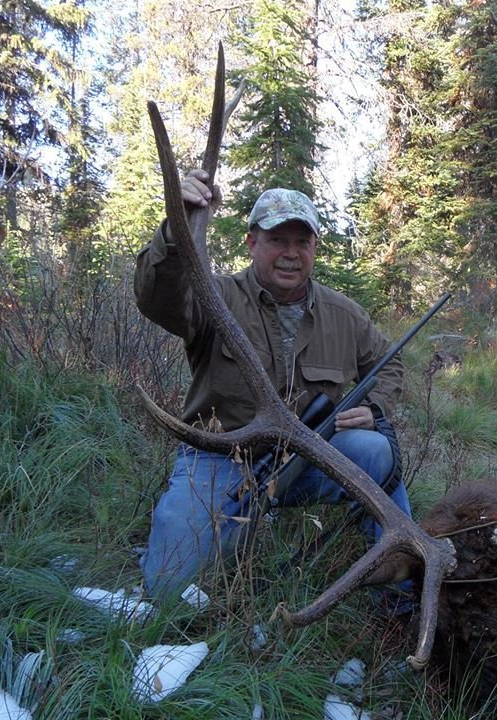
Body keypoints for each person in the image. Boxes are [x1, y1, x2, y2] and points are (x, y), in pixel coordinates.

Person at [134, 170, 411, 605]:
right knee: (169, 590)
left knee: (377, 451)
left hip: (309, 459)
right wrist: (177, 227)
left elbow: (390, 363)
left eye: (302, 242)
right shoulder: (212, 296)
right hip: (221, 458)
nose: (291, 253)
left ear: (315, 248)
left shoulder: (345, 314)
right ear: (251, 242)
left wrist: (375, 407)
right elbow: (159, 299)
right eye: (278, 239)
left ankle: (402, 588)